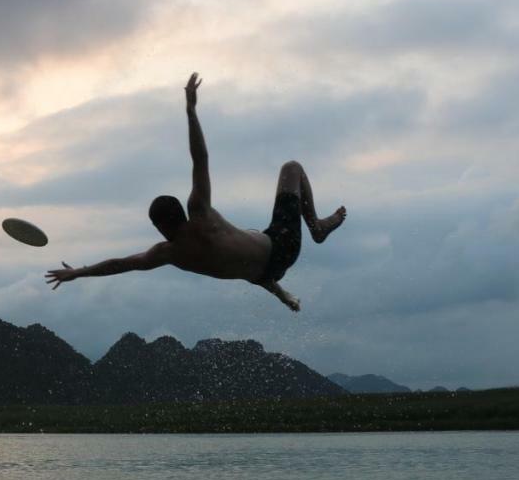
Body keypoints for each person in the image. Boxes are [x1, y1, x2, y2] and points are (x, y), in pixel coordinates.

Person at [45, 73, 346, 312]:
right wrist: (190, 111)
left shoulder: (168, 253)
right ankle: (316, 227)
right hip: (281, 248)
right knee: (291, 168)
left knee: (242, 259)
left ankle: (285, 292)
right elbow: (200, 159)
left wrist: (79, 273)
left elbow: (120, 264)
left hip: (266, 275)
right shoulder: (199, 217)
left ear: (161, 225)